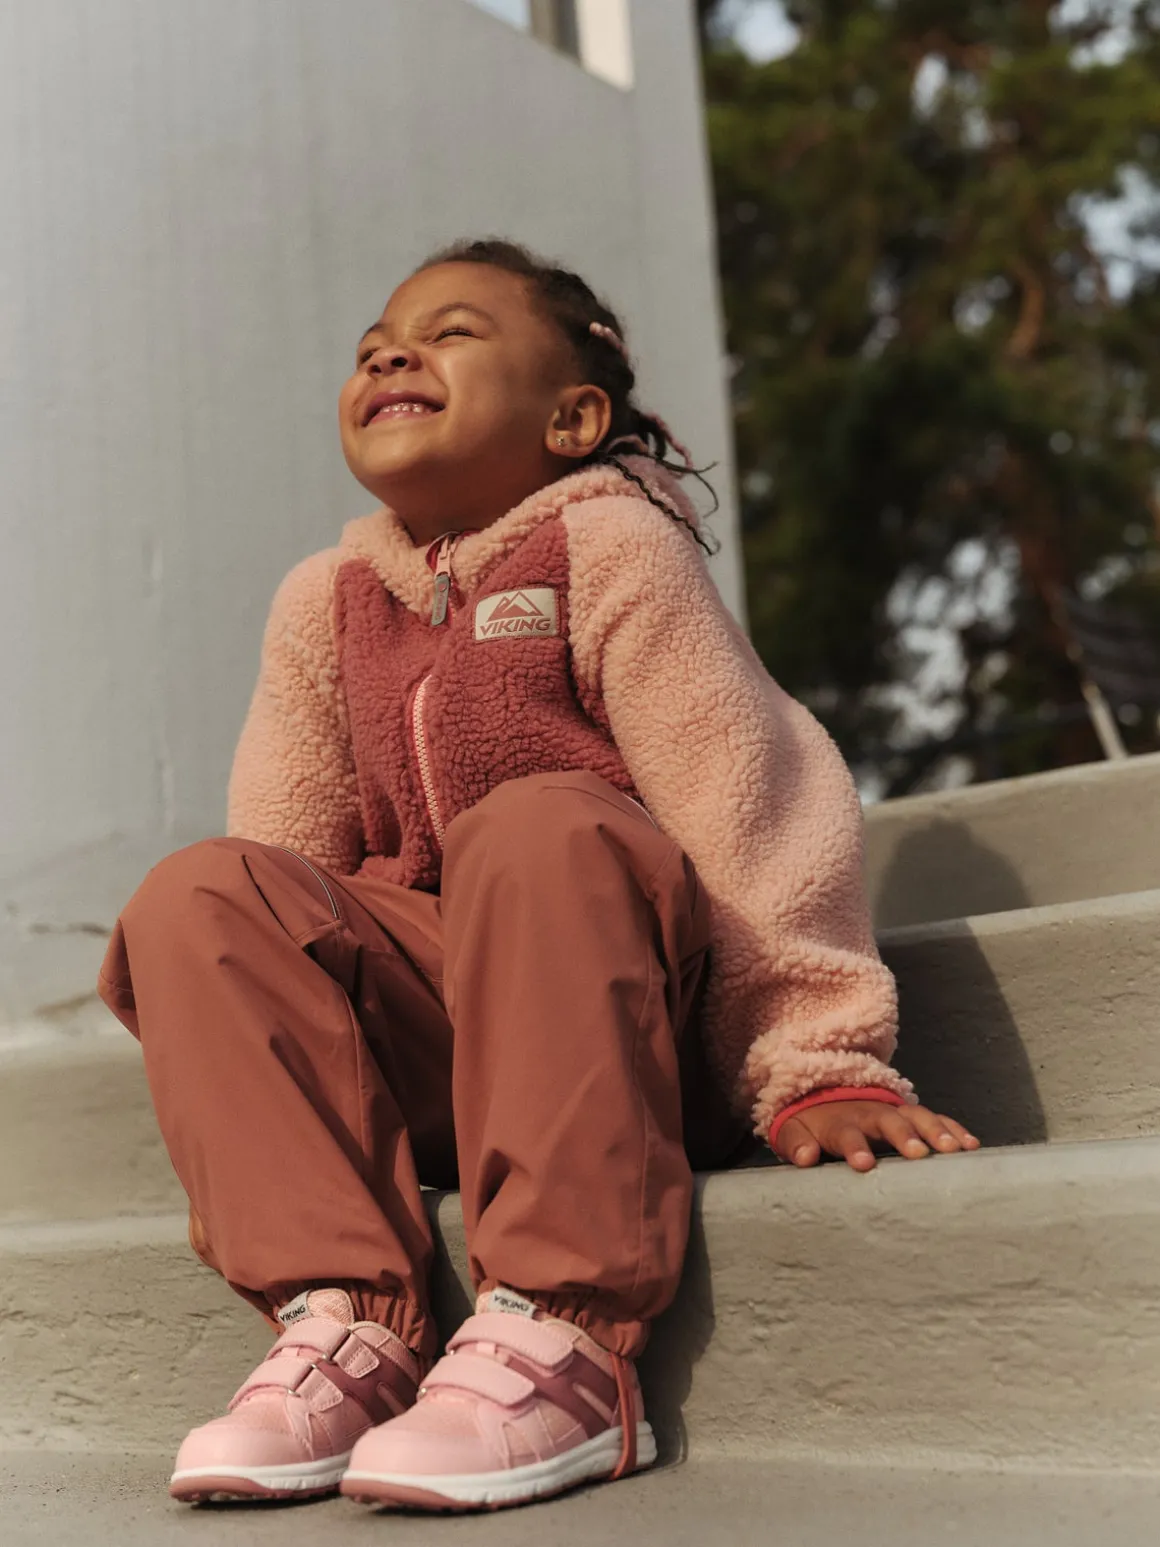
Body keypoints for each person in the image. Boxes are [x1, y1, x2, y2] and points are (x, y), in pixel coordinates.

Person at [97, 238, 979, 1514]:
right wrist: (261, 1122)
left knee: (532, 826)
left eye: (450, 333)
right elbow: (285, 877)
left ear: (571, 418)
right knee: (199, 892)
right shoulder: (324, 601)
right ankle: (344, 1323)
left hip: (620, 1037)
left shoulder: (610, 546)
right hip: (447, 1056)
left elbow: (747, 798)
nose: (392, 355)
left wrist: (813, 1060)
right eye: (372, 347)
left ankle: (563, 1337)